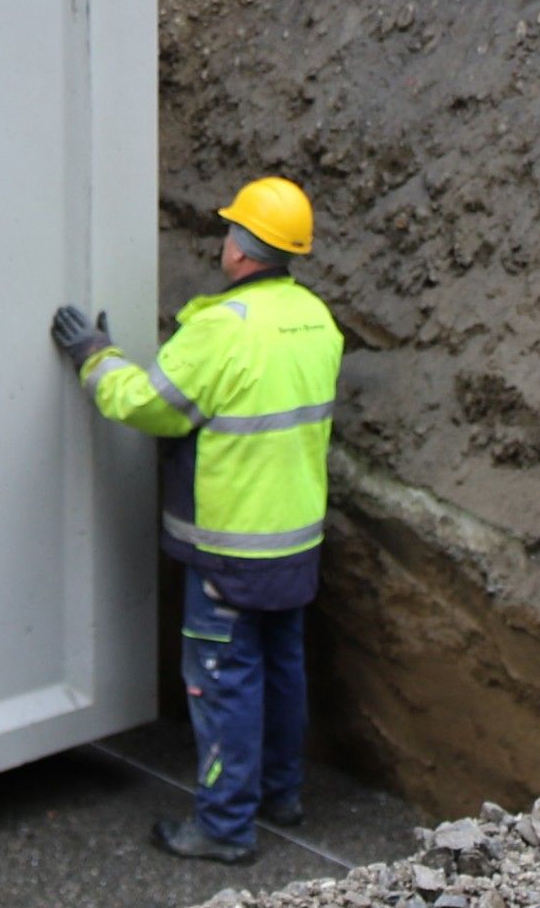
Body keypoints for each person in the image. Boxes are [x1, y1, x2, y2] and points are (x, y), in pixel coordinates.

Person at [53, 178, 340, 864]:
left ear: (241, 251)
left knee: (223, 680)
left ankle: (223, 825)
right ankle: (281, 793)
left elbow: (149, 405)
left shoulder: (221, 327)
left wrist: (95, 354)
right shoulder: (316, 319)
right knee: (280, 668)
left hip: (230, 549)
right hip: (295, 540)